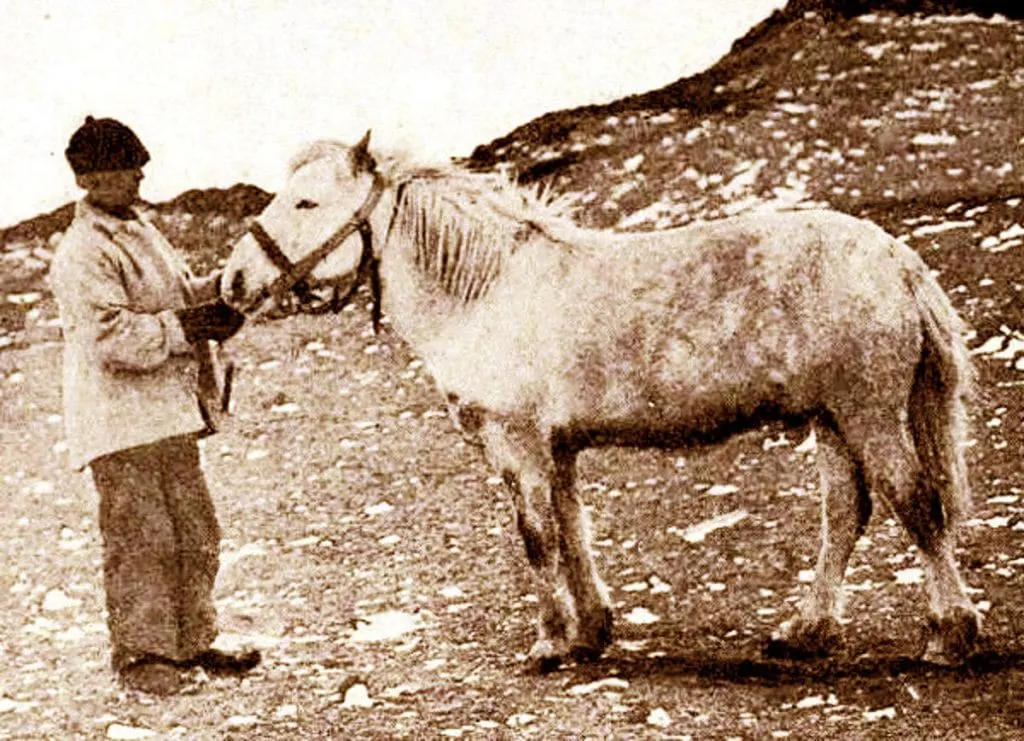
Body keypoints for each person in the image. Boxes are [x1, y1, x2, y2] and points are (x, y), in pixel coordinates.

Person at [48, 116, 260, 695]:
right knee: (142, 538)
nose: (140, 173)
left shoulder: (139, 230)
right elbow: (111, 338)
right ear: (91, 178)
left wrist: (229, 287)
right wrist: (187, 325)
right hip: (121, 423)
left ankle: (192, 642)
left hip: (167, 416)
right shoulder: (82, 252)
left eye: (138, 164)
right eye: (127, 166)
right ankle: (144, 659)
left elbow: (177, 294)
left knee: (194, 530)